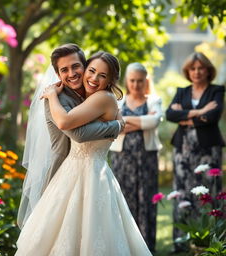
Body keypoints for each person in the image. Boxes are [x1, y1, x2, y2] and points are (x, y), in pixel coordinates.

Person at [15, 51, 152, 256]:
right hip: (69, 170)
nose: (94, 78)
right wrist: (117, 125)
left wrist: (116, 124)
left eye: (102, 75)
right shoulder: (74, 97)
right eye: (92, 71)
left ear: (110, 80)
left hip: (92, 173)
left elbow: (71, 127)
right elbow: (74, 130)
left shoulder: (102, 98)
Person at [17, 44, 124, 229]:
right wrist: (116, 126)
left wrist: (119, 120)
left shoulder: (94, 93)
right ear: (58, 75)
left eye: (76, 66)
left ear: (84, 65)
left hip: (90, 173)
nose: (72, 73)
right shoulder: (55, 99)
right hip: (61, 171)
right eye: (64, 70)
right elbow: (79, 134)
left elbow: (110, 105)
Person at [166, 52, 225, 252]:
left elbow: (214, 115)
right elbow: (170, 115)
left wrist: (185, 117)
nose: (197, 72)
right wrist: (200, 112)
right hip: (183, 149)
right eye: (193, 68)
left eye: (201, 68)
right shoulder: (182, 91)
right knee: (182, 190)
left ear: (208, 70)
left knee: (209, 192)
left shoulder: (217, 90)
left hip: (208, 148)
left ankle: (209, 241)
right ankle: (182, 242)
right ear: (187, 71)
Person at [109, 62, 162, 252]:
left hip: (146, 158)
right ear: (127, 80)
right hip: (122, 158)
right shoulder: (117, 102)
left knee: (146, 198)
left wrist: (126, 121)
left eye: (140, 81)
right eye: (132, 80)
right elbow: (112, 123)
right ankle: (125, 245)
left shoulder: (154, 100)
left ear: (145, 80)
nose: (136, 85)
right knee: (124, 197)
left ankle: (146, 245)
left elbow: (154, 122)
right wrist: (142, 121)